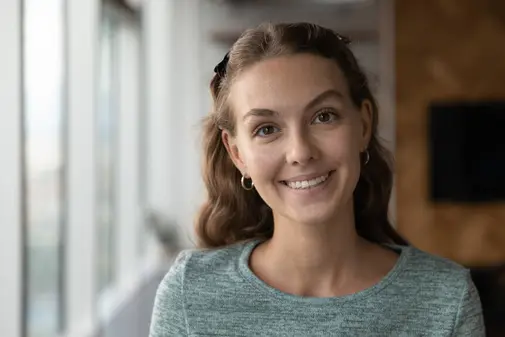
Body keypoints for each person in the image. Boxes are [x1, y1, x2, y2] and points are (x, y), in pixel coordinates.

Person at [149, 22, 485, 336]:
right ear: (237, 154)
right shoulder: (189, 294)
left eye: (323, 117)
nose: (300, 152)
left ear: (364, 126)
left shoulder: (446, 300)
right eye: (266, 129)